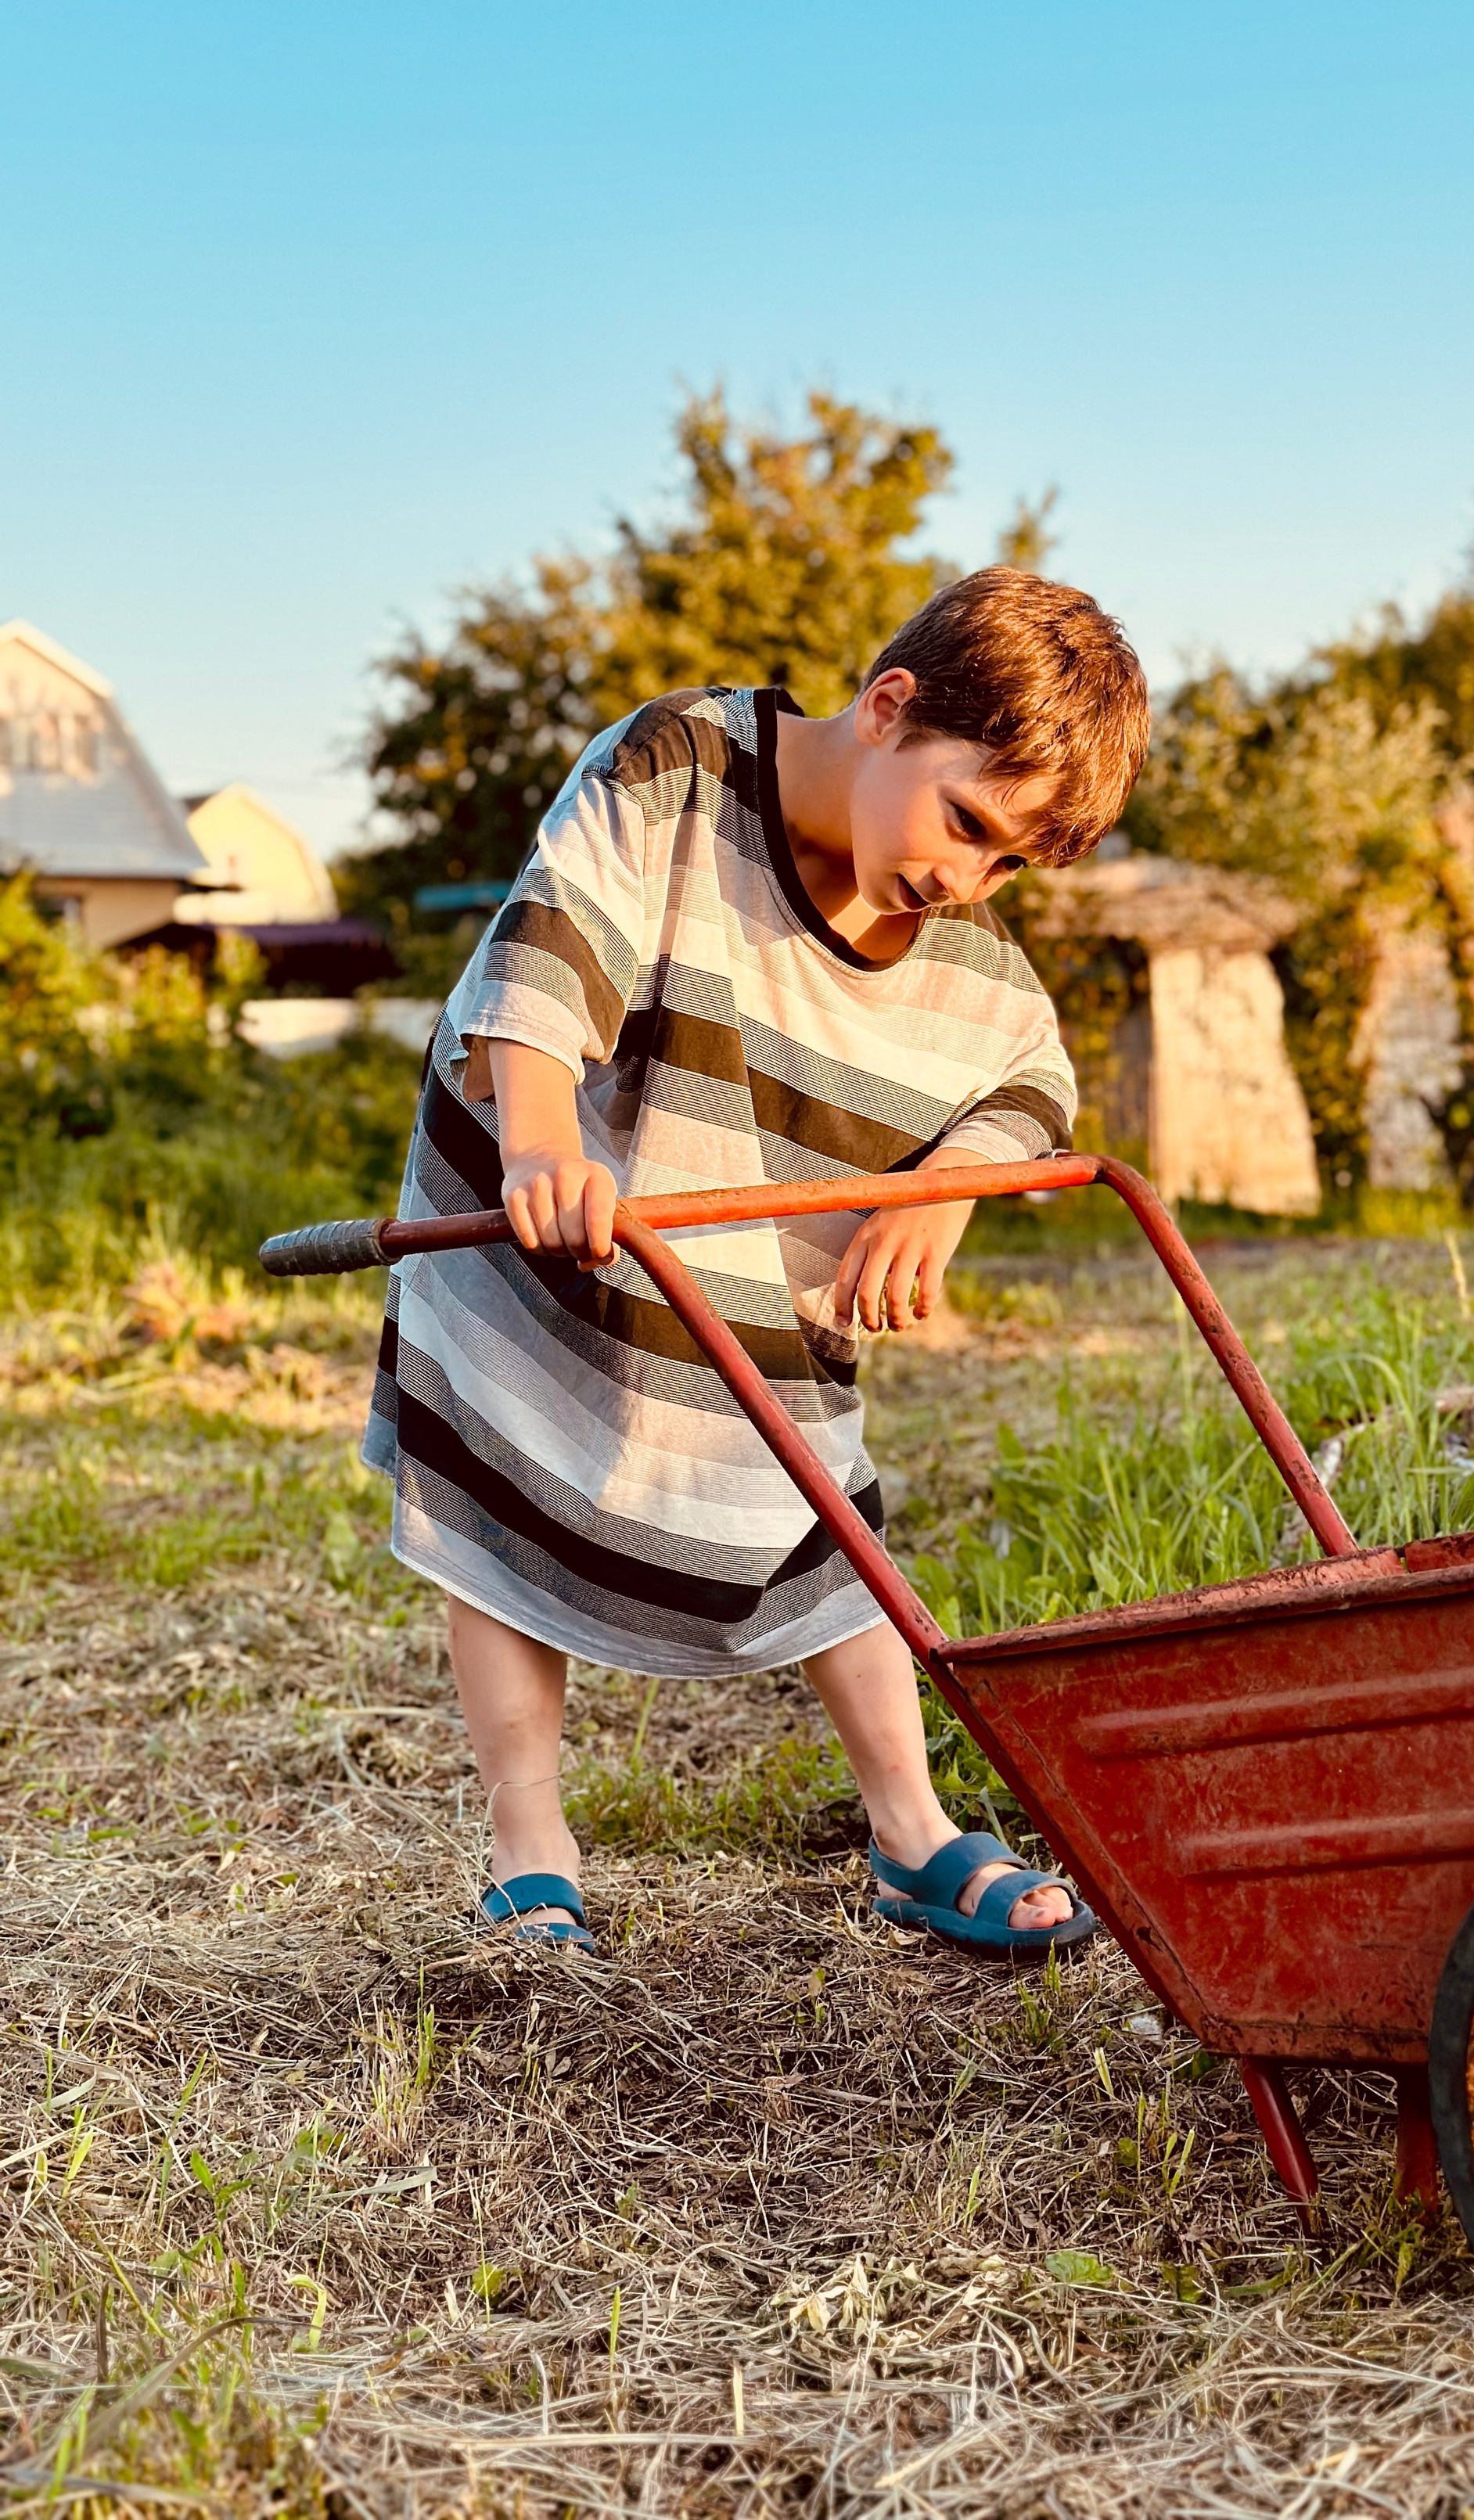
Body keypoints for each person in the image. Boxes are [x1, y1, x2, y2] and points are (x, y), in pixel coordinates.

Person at [361, 568, 1152, 1960]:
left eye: (1010, 862)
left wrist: (946, 1192)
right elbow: (550, 942)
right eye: (969, 821)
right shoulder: (672, 766)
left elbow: (1032, 1074)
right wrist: (541, 1134)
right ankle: (528, 1841)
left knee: (826, 1519)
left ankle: (909, 1831)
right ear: (890, 705)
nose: (969, 876)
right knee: (503, 1483)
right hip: (552, 1211)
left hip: (735, 1258)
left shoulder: (955, 946)